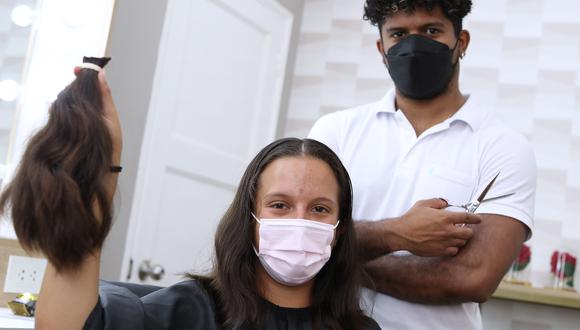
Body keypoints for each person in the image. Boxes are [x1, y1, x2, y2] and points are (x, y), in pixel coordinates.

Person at [0, 63, 379, 329]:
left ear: (340, 228)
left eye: (319, 209)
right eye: (279, 206)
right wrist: (101, 167)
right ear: (250, 216)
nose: (299, 221)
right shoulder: (191, 311)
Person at [308, 0, 536, 329]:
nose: (414, 45)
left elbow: (473, 278)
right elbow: (304, 236)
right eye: (399, 34)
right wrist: (397, 234)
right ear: (381, 49)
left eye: (431, 31)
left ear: (462, 42)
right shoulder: (335, 132)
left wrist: (336, 261)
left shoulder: (503, 147)